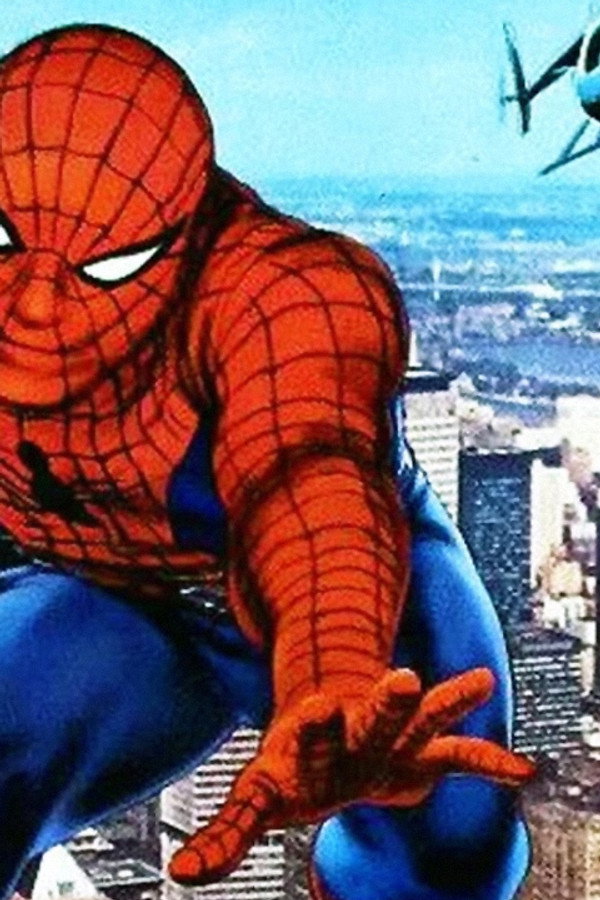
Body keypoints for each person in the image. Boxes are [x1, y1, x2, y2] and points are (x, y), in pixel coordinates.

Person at [0, 23, 533, 900]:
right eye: (7, 243)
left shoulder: (282, 293)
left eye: (107, 267)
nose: (36, 307)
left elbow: (310, 475)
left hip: (325, 594)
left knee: (445, 837)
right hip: (93, 595)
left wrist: (334, 673)